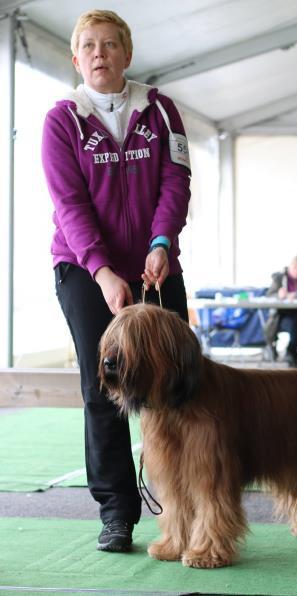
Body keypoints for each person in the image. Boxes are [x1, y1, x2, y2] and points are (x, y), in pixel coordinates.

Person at [41, 10, 191, 552]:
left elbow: (176, 182)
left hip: (155, 264)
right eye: (89, 46)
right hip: (84, 269)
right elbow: (70, 204)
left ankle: (182, 500)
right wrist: (102, 270)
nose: (99, 53)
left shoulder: (162, 111)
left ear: (127, 54)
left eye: (110, 44)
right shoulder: (63, 120)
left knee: (177, 383)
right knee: (104, 389)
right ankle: (117, 513)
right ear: (76, 59)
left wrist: (161, 244)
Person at [264, 255, 297, 368]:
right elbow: (269, 296)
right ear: (289, 267)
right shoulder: (279, 278)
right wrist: (279, 295)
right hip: (283, 316)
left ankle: (291, 352)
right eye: (295, 268)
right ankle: (291, 353)